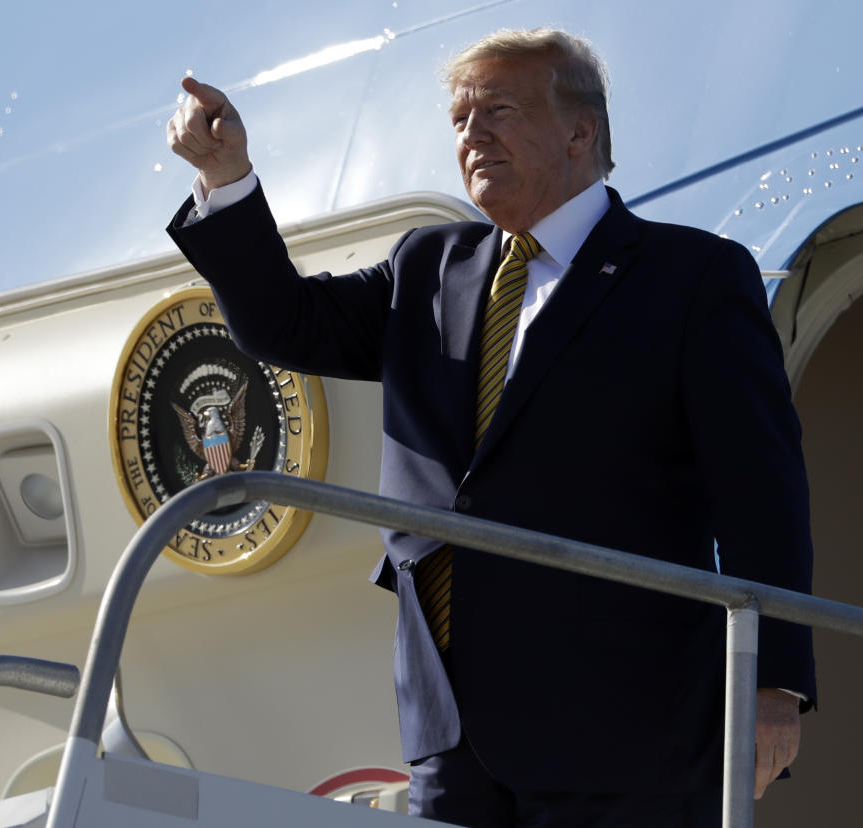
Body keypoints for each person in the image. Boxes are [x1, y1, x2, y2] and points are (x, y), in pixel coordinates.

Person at [166, 28, 815, 828]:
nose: (471, 135)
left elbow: (760, 487)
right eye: (460, 120)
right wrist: (224, 178)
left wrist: (774, 681)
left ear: (581, 132)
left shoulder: (692, 278)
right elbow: (286, 324)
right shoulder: (427, 266)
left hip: (623, 727)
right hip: (454, 735)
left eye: (499, 111)